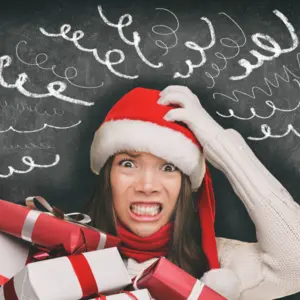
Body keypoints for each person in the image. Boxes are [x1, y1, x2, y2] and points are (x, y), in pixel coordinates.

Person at [86, 85, 300, 300]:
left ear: (185, 186)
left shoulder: (225, 268)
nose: (147, 186)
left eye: (168, 167)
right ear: (108, 176)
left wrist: (219, 144)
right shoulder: (62, 257)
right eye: (128, 164)